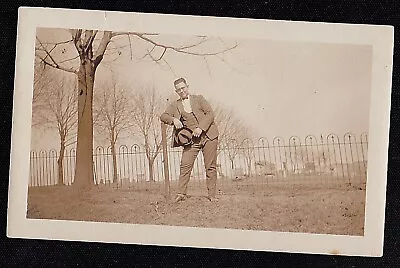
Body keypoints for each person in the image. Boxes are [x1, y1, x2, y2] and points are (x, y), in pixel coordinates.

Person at [160, 77, 219, 202]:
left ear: (187, 86)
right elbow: (163, 116)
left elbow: (210, 114)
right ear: (176, 91)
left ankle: (212, 196)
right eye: (178, 90)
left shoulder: (199, 99)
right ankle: (181, 194)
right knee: (185, 165)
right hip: (192, 141)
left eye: (183, 88)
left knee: (210, 167)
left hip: (209, 136)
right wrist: (174, 120)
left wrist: (201, 128)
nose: (181, 91)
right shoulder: (175, 105)